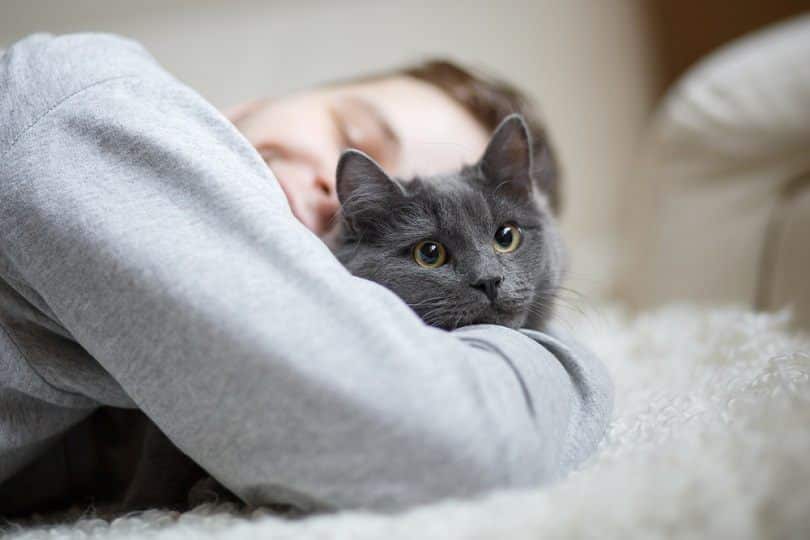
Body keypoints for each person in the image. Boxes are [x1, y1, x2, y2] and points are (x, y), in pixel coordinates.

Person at [0, 33, 612, 516]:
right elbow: (440, 437)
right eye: (356, 141)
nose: (342, 203)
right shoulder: (91, 105)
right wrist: (567, 363)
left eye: (501, 237)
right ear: (257, 104)